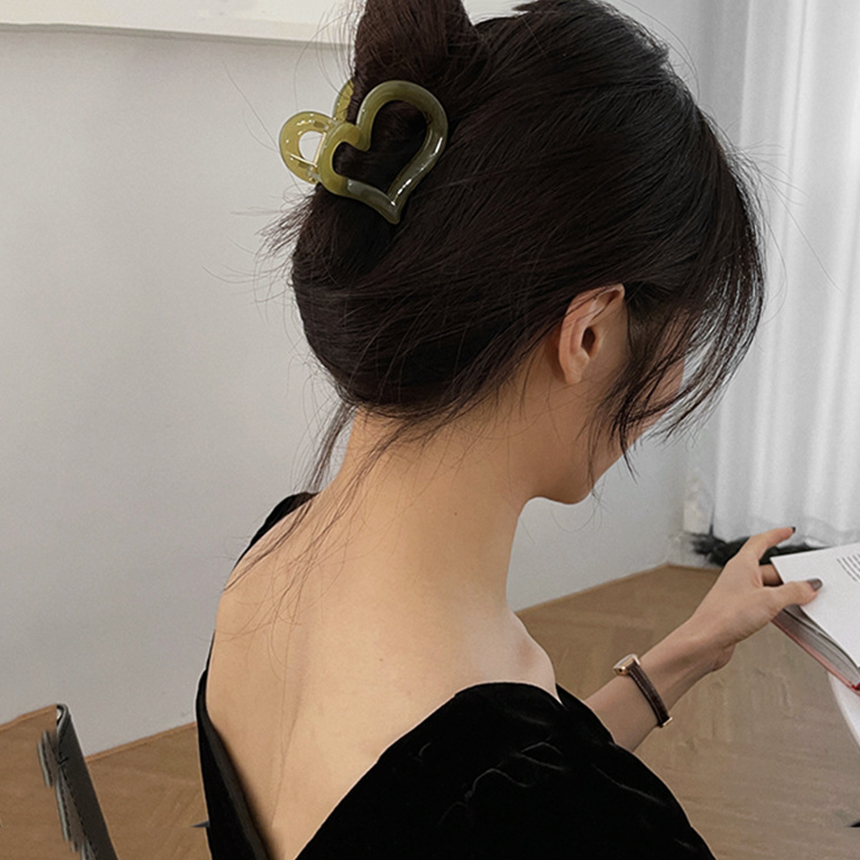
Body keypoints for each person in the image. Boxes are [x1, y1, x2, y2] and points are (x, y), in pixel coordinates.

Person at [195, 1, 822, 857]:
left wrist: (693, 647)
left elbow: (455, 795)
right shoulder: (530, 790)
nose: (674, 384)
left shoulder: (271, 558)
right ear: (590, 333)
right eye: (685, 338)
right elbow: (504, 796)